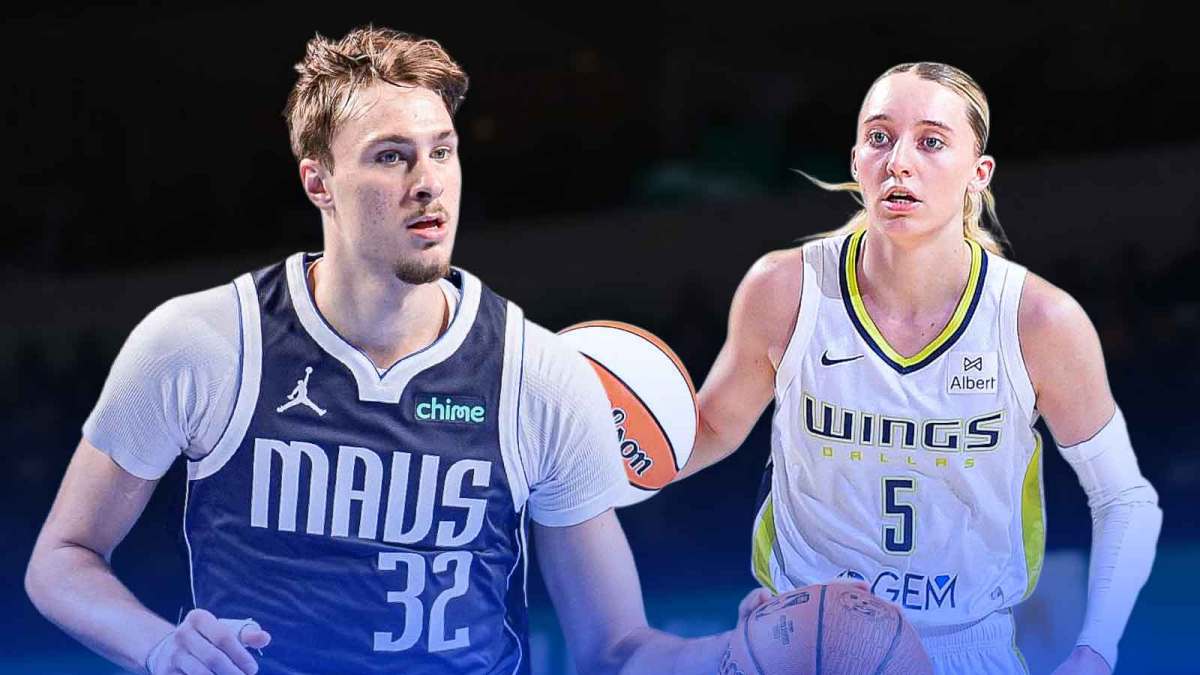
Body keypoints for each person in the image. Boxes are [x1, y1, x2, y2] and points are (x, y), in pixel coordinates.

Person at [25, 26, 737, 675]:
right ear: (319, 182)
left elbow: (615, 647)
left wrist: (739, 655)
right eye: (391, 156)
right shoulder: (203, 343)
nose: (427, 181)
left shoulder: (539, 373)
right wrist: (156, 644)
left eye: (443, 150)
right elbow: (62, 559)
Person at [677, 62, 1162, 675]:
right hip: (803, 641)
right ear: (856, 160)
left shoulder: (1038, 321)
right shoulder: (785, 289)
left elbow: (1125, 498)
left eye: (932, 141)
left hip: (964, 649)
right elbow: (709, 430)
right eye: (879, 137)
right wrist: (592, 461)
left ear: (978, 174)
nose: (899, 161)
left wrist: (1095, 652)